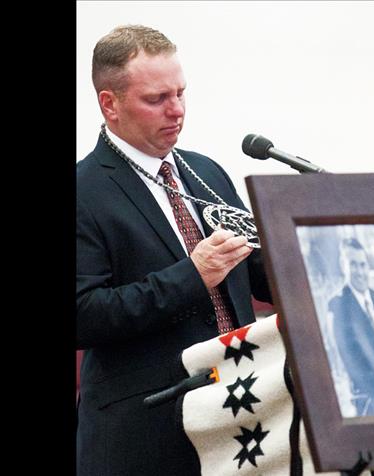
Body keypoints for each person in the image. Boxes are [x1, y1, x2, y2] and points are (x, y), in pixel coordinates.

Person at [76, 25, 272, 476]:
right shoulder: (84, 191)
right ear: (110, 104)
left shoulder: (206, 172)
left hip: (242, 412)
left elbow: (254, 275)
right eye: (156, 98)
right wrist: (192, 275)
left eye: (181, 93)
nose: (177, 110)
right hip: (146, 434)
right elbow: (84, 313)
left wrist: (306, 257)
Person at [328, 237, 374, 417]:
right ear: (343, 266)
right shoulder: (337, 306)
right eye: (353, 264)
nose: (360, 271)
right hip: (369, 403)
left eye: (363, 265)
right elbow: (350, 363)